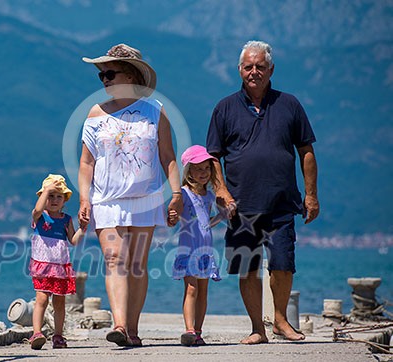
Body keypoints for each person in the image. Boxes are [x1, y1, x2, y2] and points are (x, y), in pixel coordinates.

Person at [206, 40, 320, 344]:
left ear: (271, 69)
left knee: (283, 264)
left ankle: (281, 321)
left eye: (260, 66)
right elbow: (213, 155)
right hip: (240, 206)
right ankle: (258, 328)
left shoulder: (290, 104)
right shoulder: (225, 107)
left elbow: (306, 151)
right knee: (247, 267)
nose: (254, 71)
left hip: (282, 202)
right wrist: (221, 190)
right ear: (240, 70)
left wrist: (311, 195)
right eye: (248, 66)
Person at [78, 43, 183, 347]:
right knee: (114, 259)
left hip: (145, 198)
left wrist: (175, 193)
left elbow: (168, 156)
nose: (104, 80)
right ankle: (120, 324)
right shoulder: (94, 114)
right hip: (106, 199)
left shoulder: (155, 112)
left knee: (136, 264)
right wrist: (85, 198)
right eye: (102, 75)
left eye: (110, 73)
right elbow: (86, 162)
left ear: (131, 75)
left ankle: (133, 330)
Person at [170, 145, 223, 346]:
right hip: (189, 249)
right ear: (189, 171)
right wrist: (172, 216)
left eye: (207, 169)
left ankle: (198, 332)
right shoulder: (182, 194)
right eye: (198, 169)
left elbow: (205, 222)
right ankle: (189, 329)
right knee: (191, 288)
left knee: (203, 291)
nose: (203, 173)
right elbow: (173, 218)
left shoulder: (209, 196)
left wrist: (222, 215)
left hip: (206, 251)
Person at [27, 174, 85, 350]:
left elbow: (73, 240)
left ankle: (58, 335)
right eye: (50, 196)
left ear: (64, 201)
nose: (54, 200)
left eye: (59, 196)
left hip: (60, 266)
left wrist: (83, 228)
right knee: (42, 299)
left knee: (60, 301)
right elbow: (36, 210)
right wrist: (47, 190)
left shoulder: (66, 219)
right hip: (43, 265)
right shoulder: (40, 217)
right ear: (43, 197)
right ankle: (37, 333)